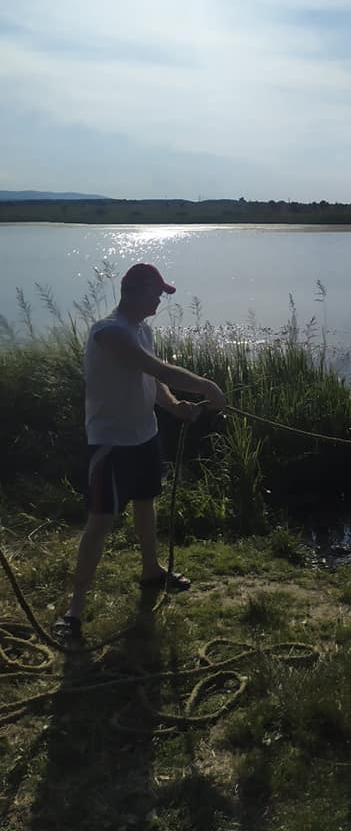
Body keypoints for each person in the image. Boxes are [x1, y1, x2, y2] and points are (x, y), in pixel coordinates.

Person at [53, 263, 226, 640]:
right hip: (111, 443)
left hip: (144, 437)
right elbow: (156, 368)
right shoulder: (109, 333)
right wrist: (208, 387)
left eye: (162, 293)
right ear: (131, 291)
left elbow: (152, 381)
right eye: (155, 292)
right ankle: (73, 611)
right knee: (100, 522)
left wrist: (176, 406)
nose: (160, 300)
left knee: (146, 503)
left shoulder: (143, 330)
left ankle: (151, 571)